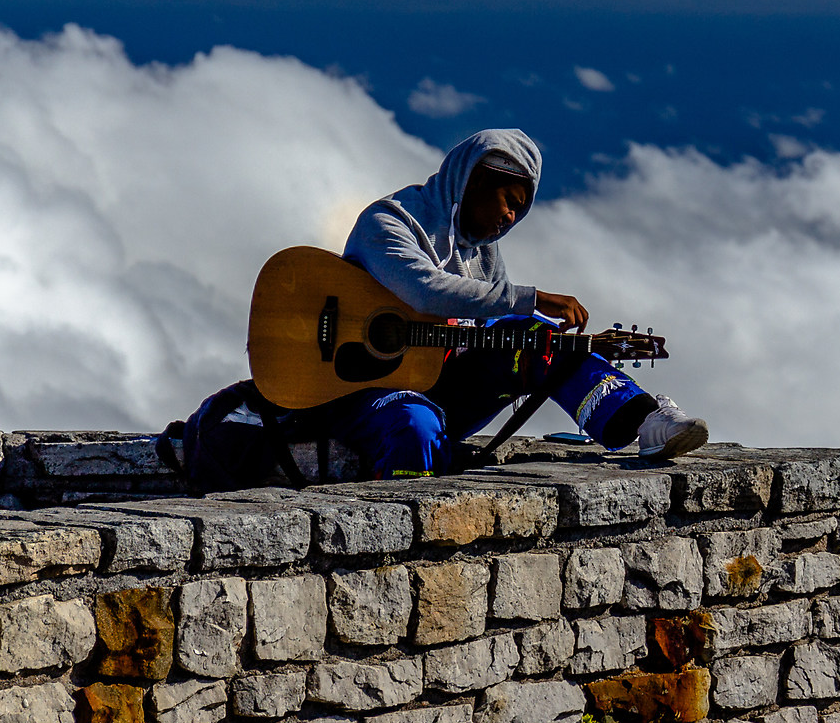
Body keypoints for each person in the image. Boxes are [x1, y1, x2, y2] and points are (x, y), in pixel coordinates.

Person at [184, 127, 706, 487]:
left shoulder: (484, 260)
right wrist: (530, 298)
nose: (509, 217)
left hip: (436, 383)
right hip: (354, 391)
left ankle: (641, 423)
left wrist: (540, 335)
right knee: (415, 426)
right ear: (473, 179)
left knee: (535, 341)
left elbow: (486, 325)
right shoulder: (389, 221)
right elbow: (424, 290)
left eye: (521, 210)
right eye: (506, 199)